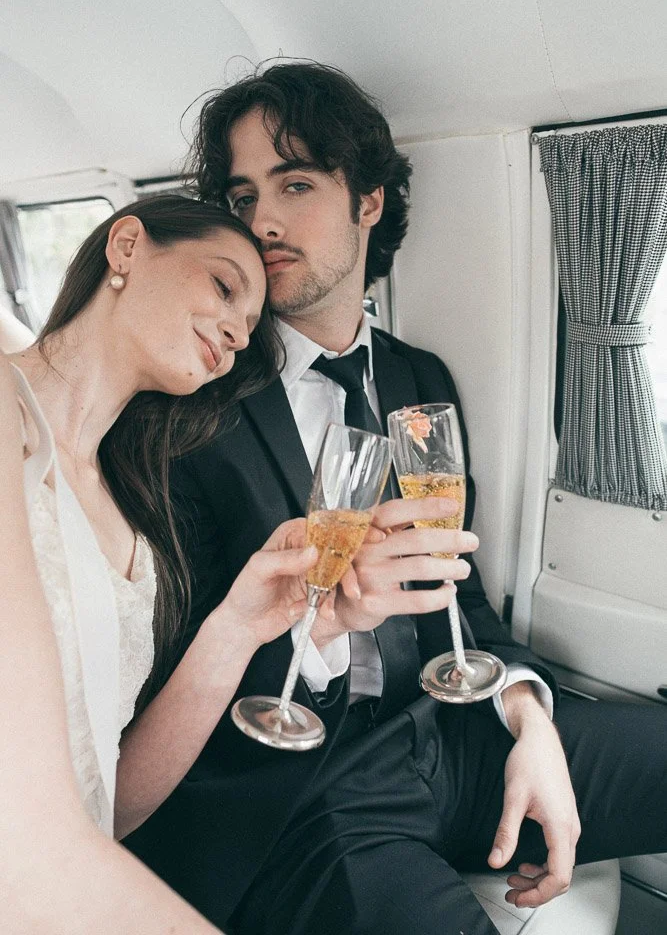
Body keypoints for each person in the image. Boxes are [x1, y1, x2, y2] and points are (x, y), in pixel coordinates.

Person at [124, 65, 667, 935]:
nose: (261, 220)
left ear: (367, 202)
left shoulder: (420, 379)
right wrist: (322, 627)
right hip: (311, 788)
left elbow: (463, 599)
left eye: (295, 183)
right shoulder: (191, 405)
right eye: (242, 193)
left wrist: (531, 720)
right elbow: (169, 664)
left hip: (450, 731)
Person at [0, 193, 335, 932]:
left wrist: (241, 623)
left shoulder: (136, 522)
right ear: (126, 247)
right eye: (222, 287)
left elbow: (106, 808)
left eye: (250, 329)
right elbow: (30, 829)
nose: (236, 333)